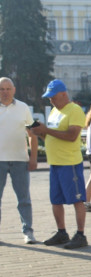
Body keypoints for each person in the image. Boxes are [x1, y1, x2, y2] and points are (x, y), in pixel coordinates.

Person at [31, 79, 89, 250]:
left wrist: (46, 130)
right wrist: (39, 133)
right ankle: (61, 232)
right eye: (49, 97)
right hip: (55, 162)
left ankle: (80, 235)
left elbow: (72, 136)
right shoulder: (54, 111)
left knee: (77, 200)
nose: (51, 100)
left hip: (69, 163)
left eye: (53, 97)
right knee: (55, 200)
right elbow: (50, 137)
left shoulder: (75, 110)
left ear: (64, 94)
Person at [0, 77, 39, 244]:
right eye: (2, 89)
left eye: (8, 89)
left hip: (20, 160)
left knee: (24, 199)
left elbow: (33, 134)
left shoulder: (23, 107)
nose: (5, 92)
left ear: (14, 90)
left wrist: (33, 157)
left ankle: (28, 232)